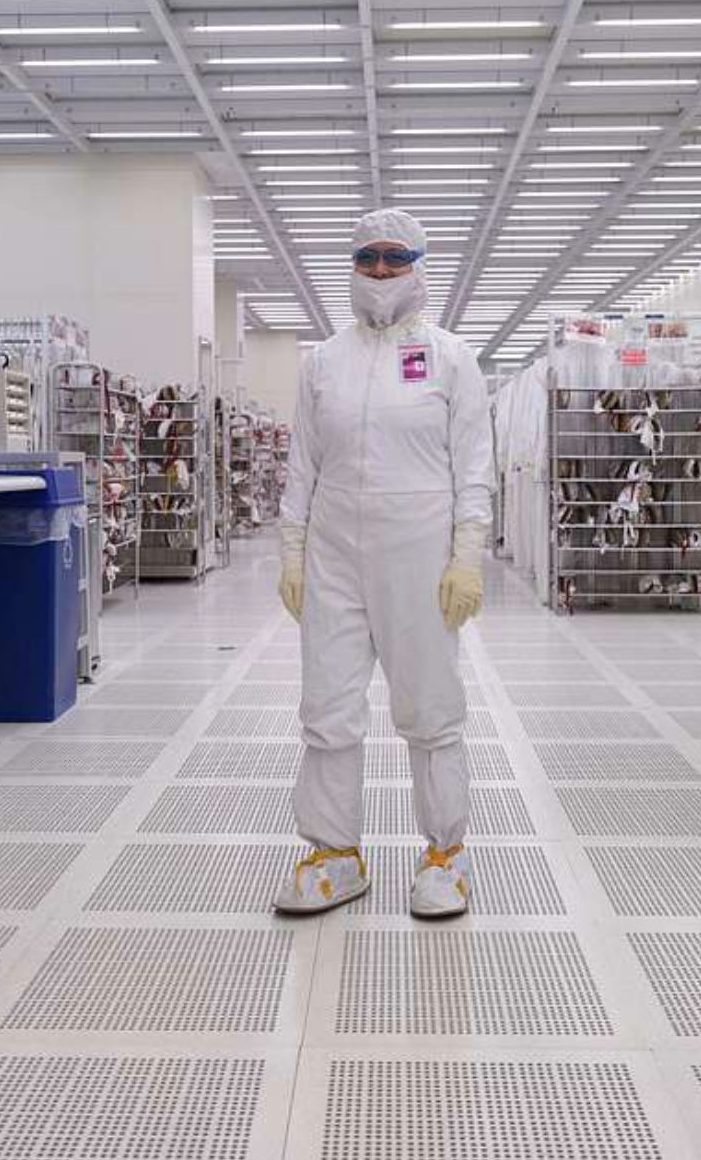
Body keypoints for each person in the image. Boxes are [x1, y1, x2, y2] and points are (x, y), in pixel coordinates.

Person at [272, 208, 494, 919]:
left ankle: (445, 855)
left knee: (430, 710)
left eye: (395, 258)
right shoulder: (323, 362)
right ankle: (336, 854)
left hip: (421, 560)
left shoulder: (453, 359)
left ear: (420, 265)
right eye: (366, 257)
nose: (379, 271)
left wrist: (467, 558)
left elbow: (475, 472)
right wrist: (292, 551)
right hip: (334, 562)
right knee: (328, 710)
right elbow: (301, 465)